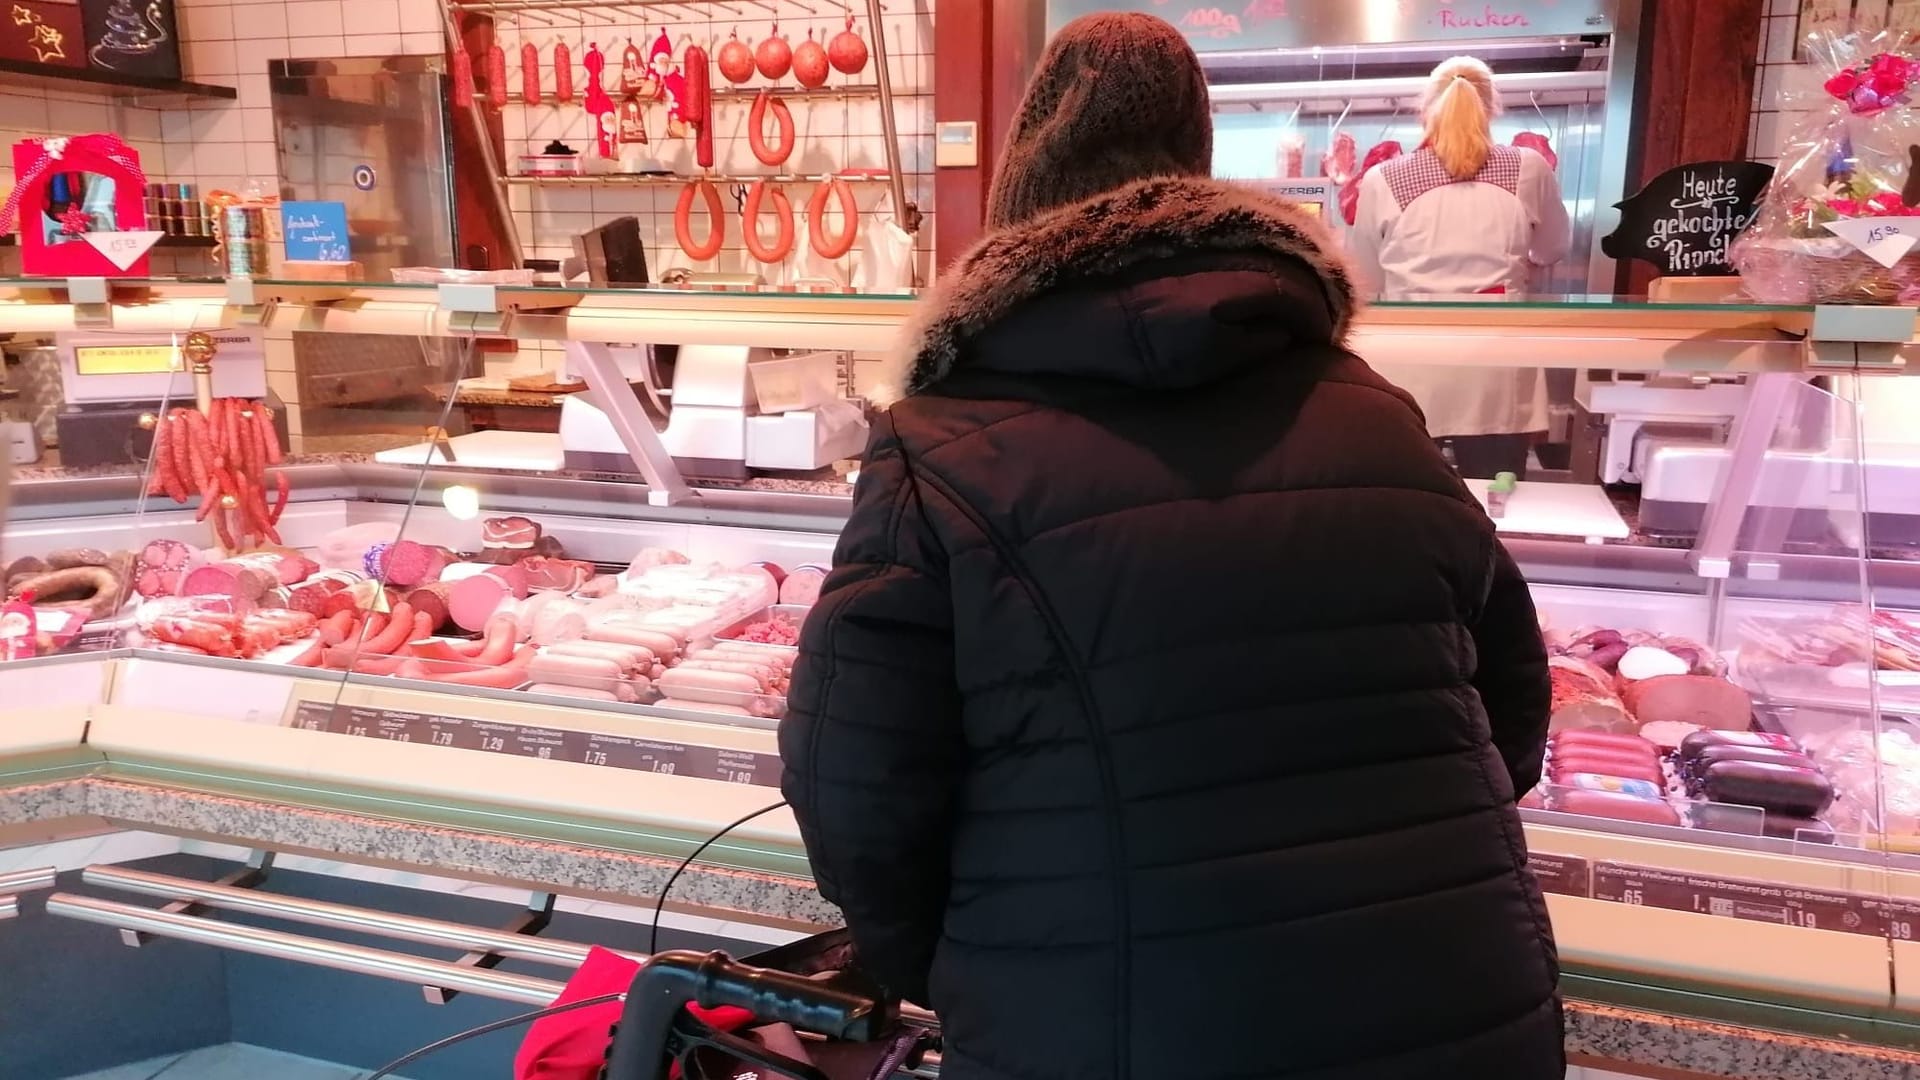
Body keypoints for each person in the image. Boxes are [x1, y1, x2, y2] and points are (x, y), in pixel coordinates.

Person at [780, 13, 1559, 1080]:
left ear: (1015, 223)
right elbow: (1511, 720)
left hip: (1102, 1027)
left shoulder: (938, 447)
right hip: (1454, 1013)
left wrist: (946, 967)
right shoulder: (1377, 413)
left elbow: (857, 790)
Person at [1350, 56, 1572, 479]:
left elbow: (1367, 279)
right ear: (1492, 108)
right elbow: (1553, 247)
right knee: (1494, 499)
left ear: (1425, 108)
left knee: (1410, 500)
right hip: (1496, 368)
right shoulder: (1527, 167)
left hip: (1409, 369)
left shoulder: (1384, 178)